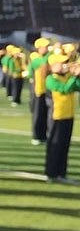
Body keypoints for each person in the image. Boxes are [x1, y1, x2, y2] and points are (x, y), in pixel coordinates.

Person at [44, 53, 79, 183]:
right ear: (53, 66)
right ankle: (51, 173)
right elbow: (65, 89)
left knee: (65, 146)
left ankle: (61, 173)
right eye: (61, 63)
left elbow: (77, 87)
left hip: (68, 116)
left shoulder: (67, 77)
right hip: (57, 117)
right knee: (55, 146)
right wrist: (74, 76)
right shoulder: (51, 79)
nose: (65, 65)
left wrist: (77, 76)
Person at [27, 37, 51, 145]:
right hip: (38, 89)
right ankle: (36, 136)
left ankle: (43, 135)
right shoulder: (34, 57)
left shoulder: (47, 56)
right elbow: (42, 63)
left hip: (47, 90)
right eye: (45, 47)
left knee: (45, 113)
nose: (47, 48)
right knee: (37, 113)